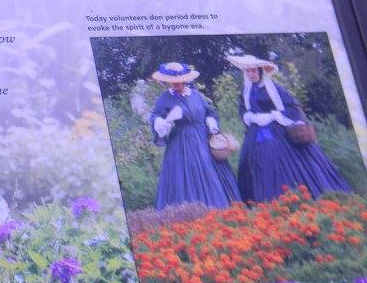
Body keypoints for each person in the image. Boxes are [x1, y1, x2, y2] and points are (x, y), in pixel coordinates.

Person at [228, 54, 352, 202]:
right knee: (256, 163)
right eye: (248, 71)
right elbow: (242, 109)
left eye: (253, 71)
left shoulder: (274, 88)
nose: (251, 74)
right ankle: (263, 204)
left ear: (260, 71)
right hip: (255, 136)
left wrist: (273, 116)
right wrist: (249, 116)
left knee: (278, 161)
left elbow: (293, 108)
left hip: (278, 133)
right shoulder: (246, 91)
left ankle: (292, 199)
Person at [149, 62, 242, 209]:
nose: (175, 84)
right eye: (172, 82)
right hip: (181, 142)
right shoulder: (165, 98)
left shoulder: (196, 95)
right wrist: (161, 123)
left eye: (178, 81)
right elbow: (156, 116)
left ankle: (219, 210)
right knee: (185, 176)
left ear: (185, 79)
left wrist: (212, 124)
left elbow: (209, 111)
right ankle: (189, 212)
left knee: (210, 172)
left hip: (204, 138)